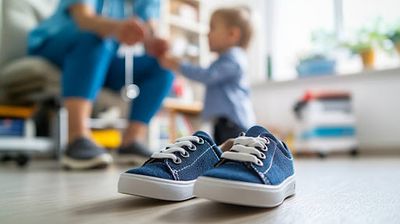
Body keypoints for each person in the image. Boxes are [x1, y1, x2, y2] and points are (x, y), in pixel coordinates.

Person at [28, 0, 174, 169]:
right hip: (57, 43)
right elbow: (84, 20)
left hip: (102, 53)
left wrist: (154, 42)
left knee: (162, 68)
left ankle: (131, 141)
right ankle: (76, 136)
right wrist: (116, 28)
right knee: (94, 37)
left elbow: (149, 27)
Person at [160, 7, 256, 145]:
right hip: (223, 123)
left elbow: (208, 75)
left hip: (234, 125)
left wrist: (179, 66)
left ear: (232, 34)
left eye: (212, 28)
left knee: (233, 158)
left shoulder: (234, 58)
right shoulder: (224, 59)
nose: (207, 34)